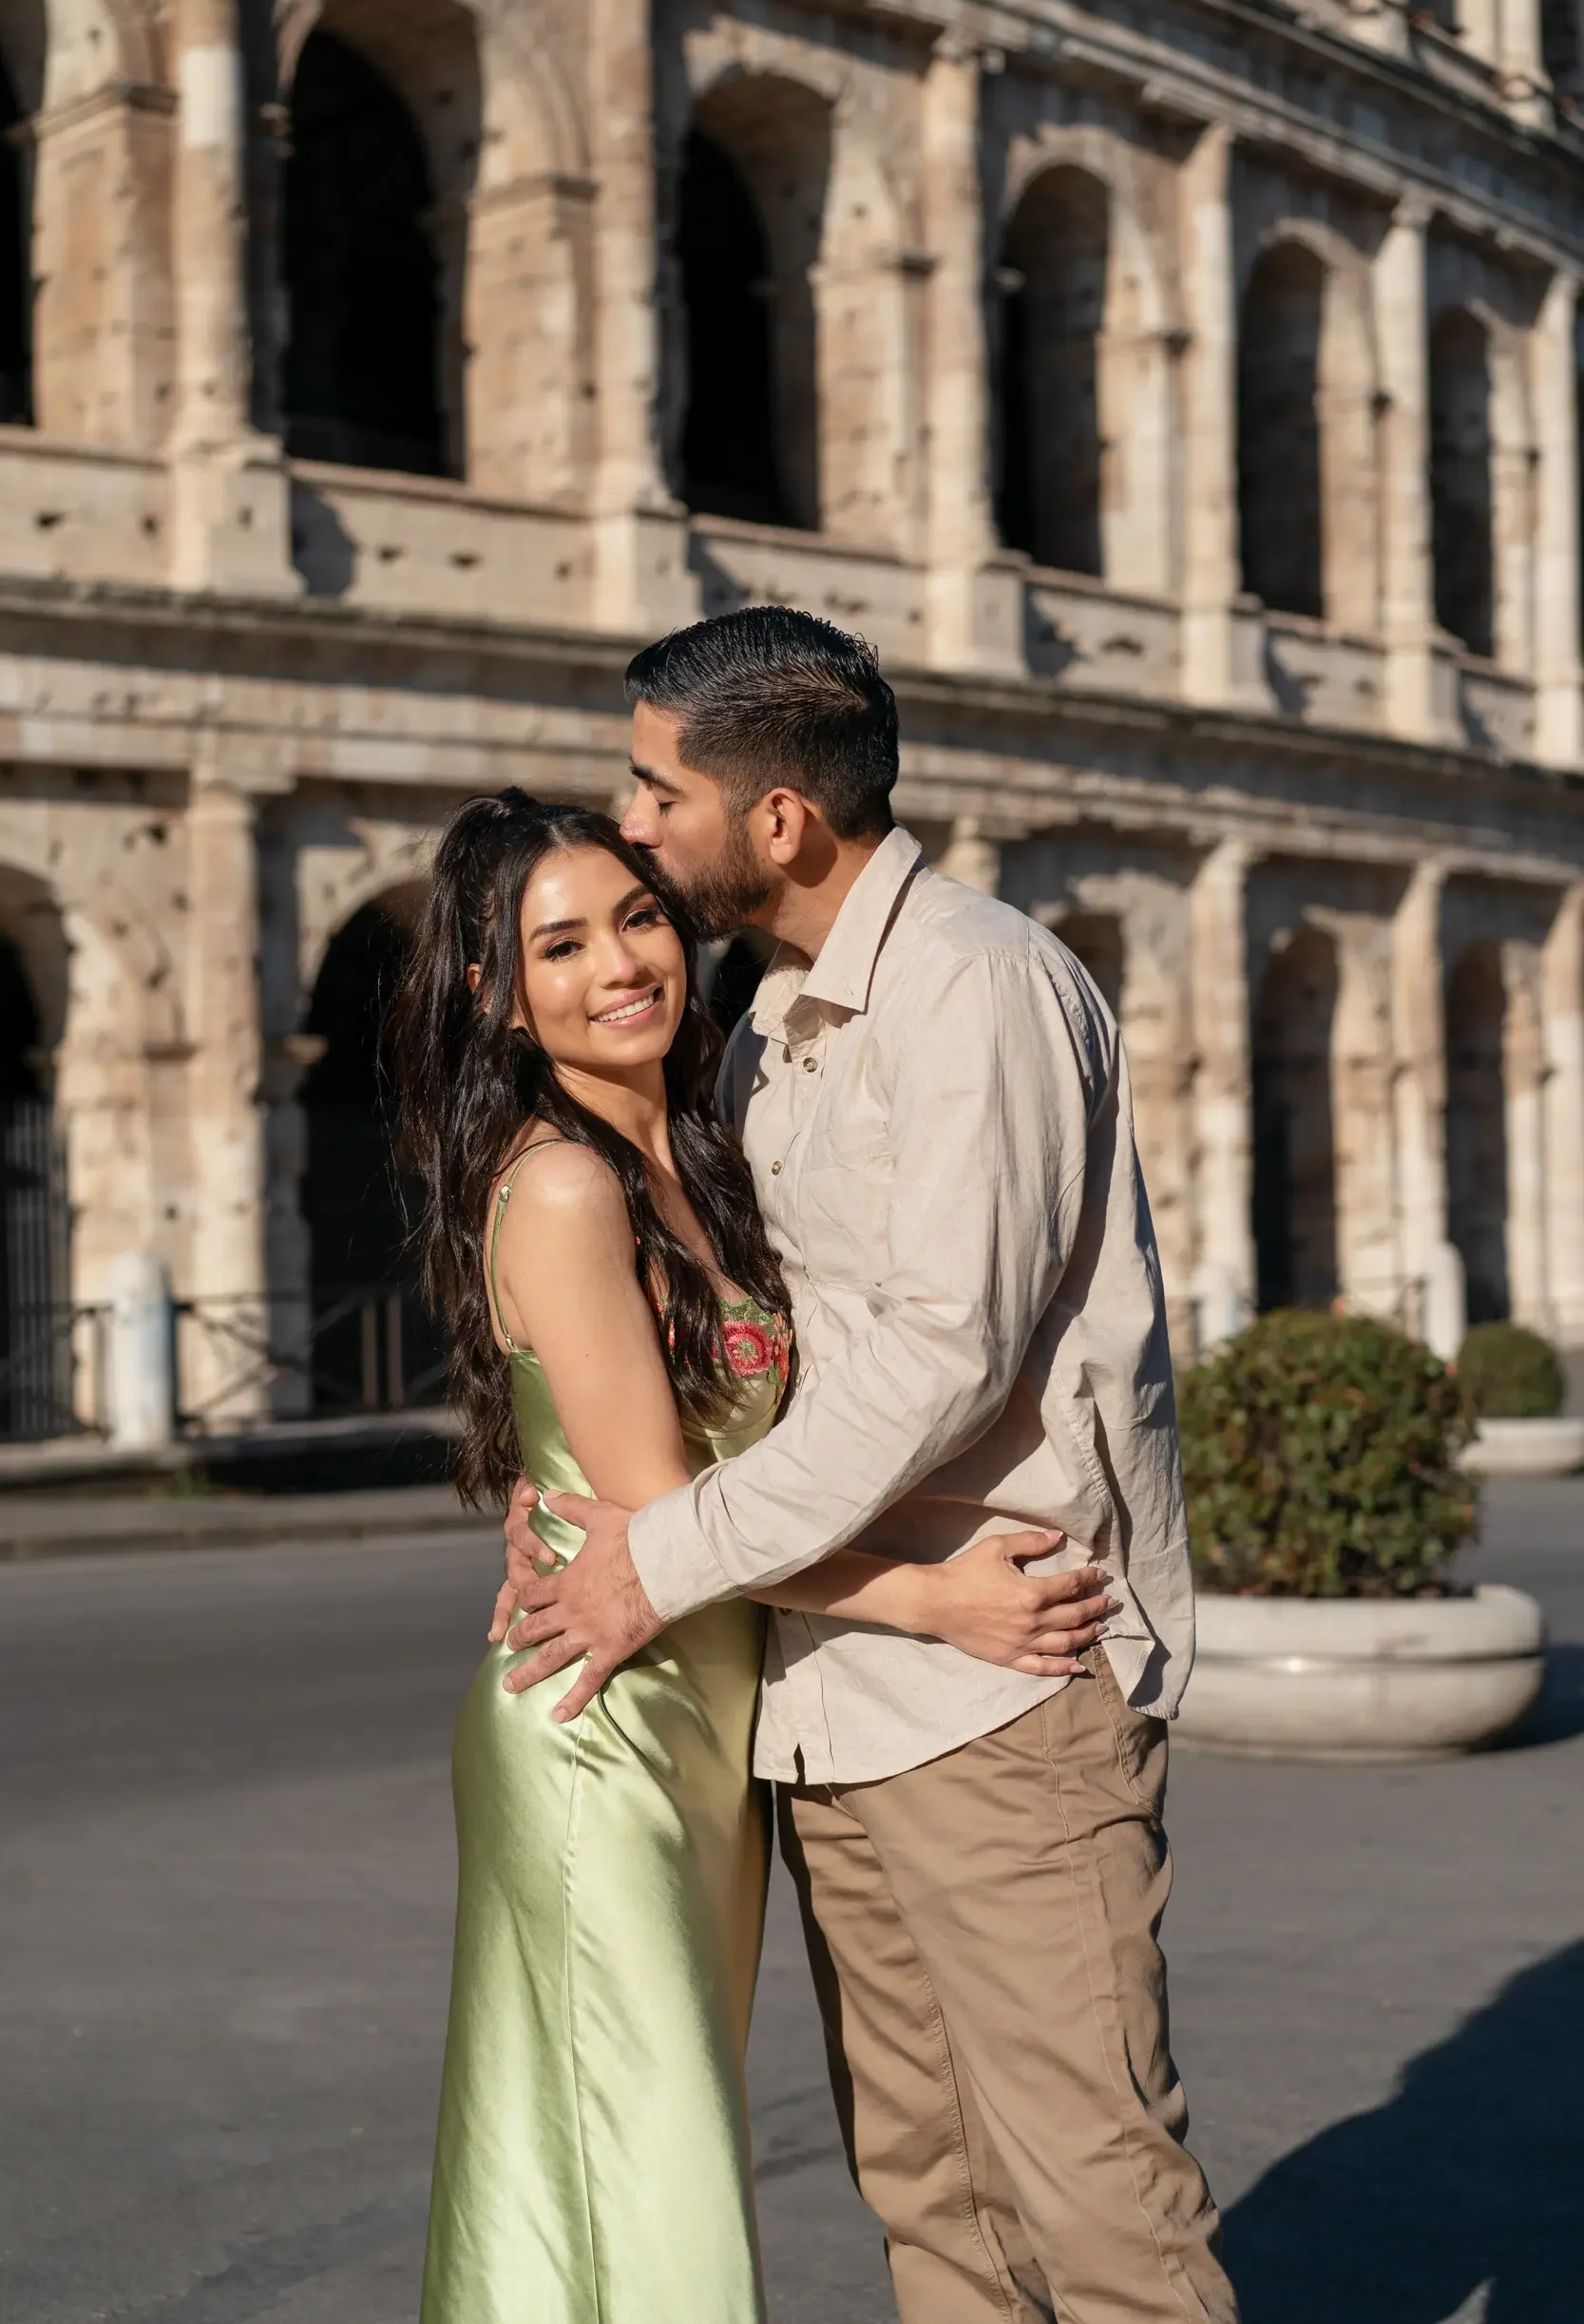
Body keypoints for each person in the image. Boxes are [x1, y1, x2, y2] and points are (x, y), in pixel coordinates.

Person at [498, 608, 1240, 2324]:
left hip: (1004, 1682)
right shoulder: (767, 1011)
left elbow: (933, 1355)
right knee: (932, 2195)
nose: (634, 827)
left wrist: (655, 1553)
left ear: (778, 823)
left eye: (654, 792)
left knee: (1092, 2198)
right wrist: (595, 1495)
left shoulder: (974, 985)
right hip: (838, 1684)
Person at [391, 789, 1116, 2324]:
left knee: (614, 2159)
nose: (619, 967)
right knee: (639, 2176)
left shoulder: (696, 1140)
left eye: (637, 916)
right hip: (611, 1732)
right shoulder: (569, 1185)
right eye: (560, 945)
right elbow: (667, 1515)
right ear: (492, 994)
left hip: (710, 1718)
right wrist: (930, 1598)